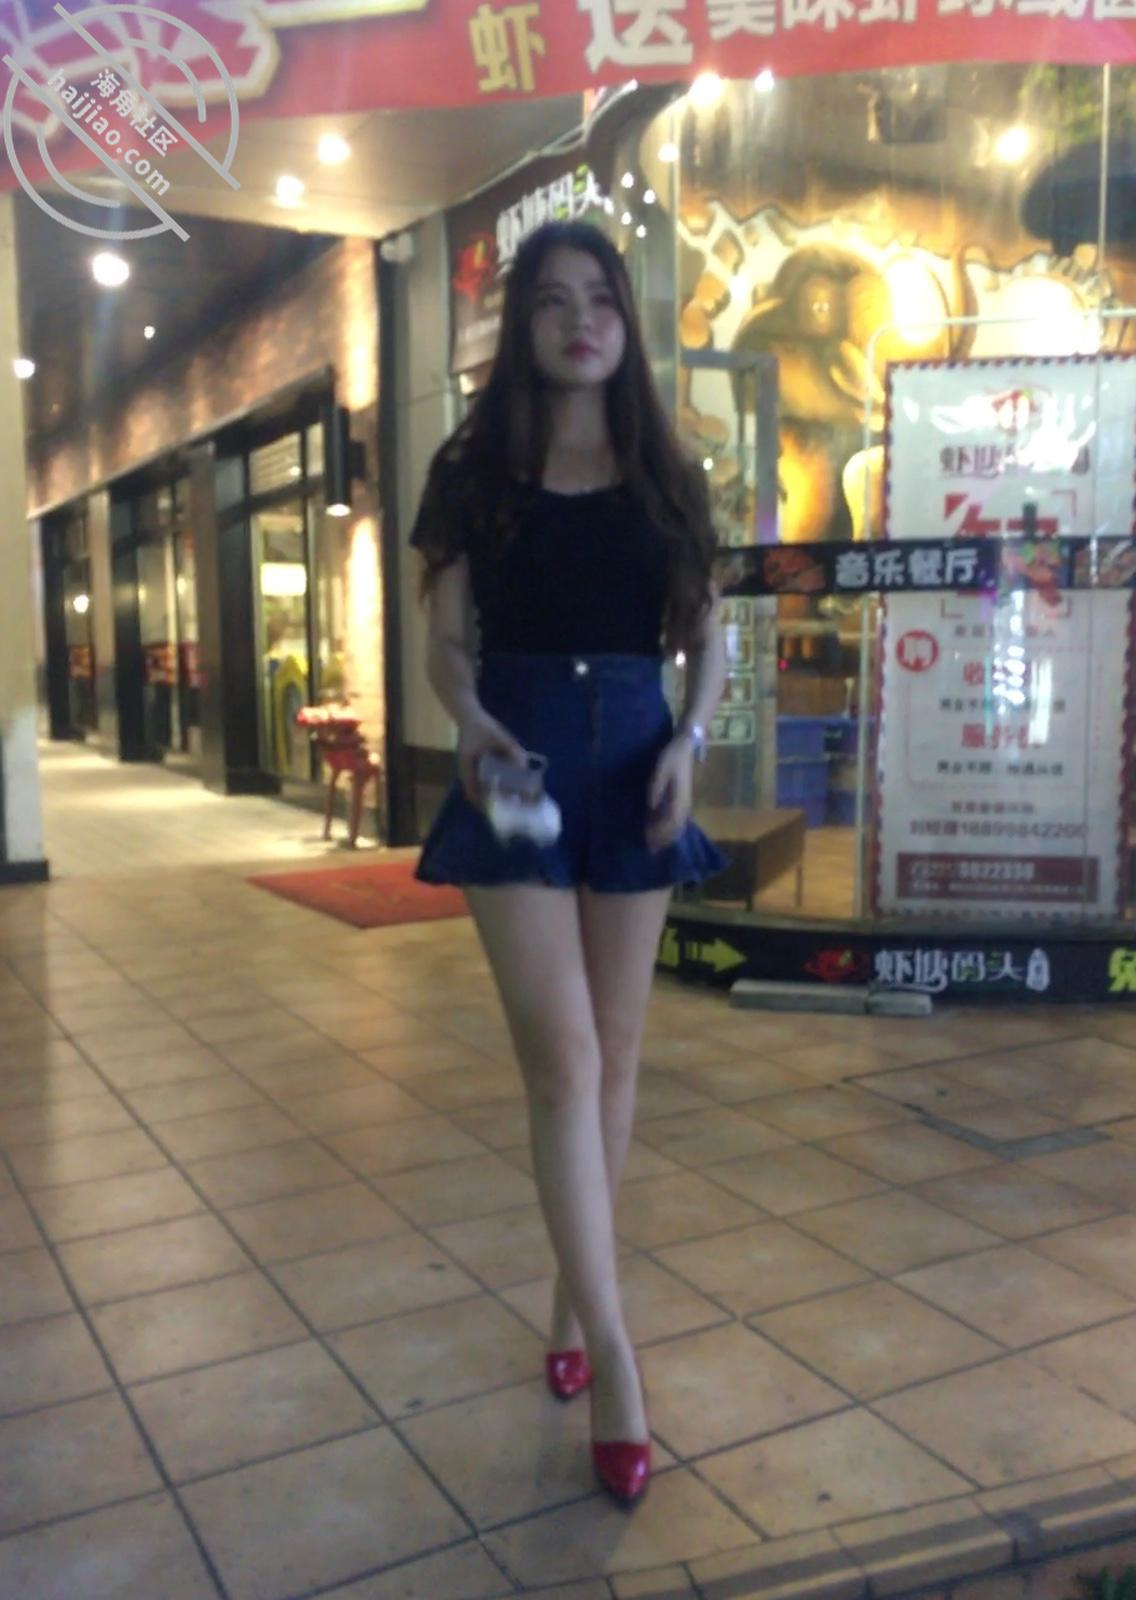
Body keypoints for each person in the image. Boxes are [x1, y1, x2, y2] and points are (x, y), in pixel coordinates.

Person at [408, 220, 729, 1507]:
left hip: (638, 755)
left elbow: (705, 638)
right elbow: (447, 642)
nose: (580, 319)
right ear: (522, 327)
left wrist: (690, 743)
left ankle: (566, 1298)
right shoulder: (472, 469)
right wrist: (470, 719)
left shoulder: (666, 469)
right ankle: (616, 1358)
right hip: (518, 762)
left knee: (619, 1055)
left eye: (600, 298)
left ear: (625, 325)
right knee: (564, 1059)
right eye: (552, 300)